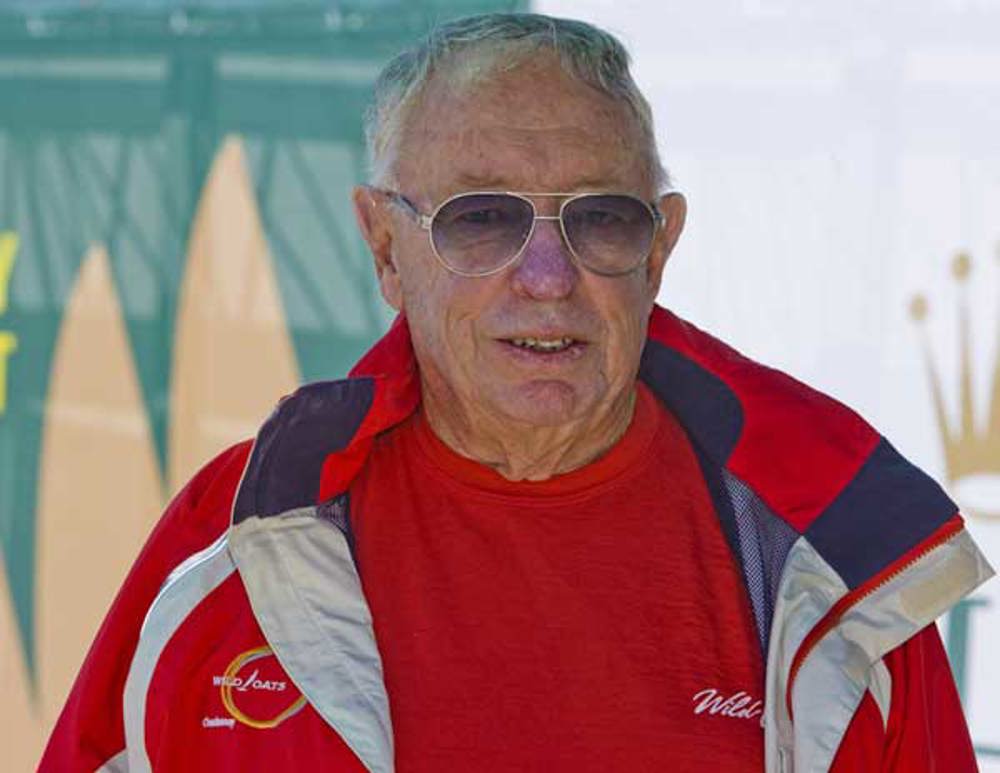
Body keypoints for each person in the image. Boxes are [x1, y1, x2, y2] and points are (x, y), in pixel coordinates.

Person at [41, 13, 992, 773]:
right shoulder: (231, 543)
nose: (547, 274)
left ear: (659, 248)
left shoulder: (828, 551)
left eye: (603, 218)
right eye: (482, 218)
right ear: (385, 248)